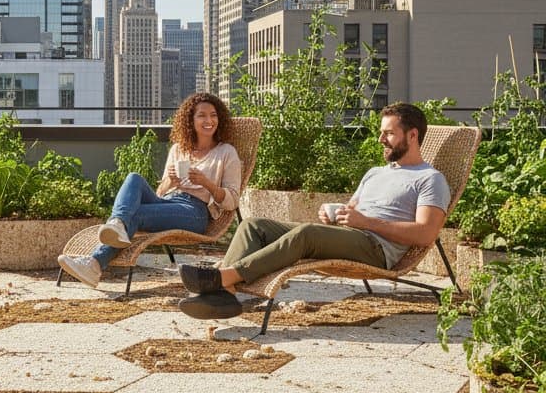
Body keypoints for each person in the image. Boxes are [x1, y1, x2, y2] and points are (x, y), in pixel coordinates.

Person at [178, 101, 451, 319]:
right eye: (381, 132)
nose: (381, 139)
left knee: (306, 234)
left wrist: (367, 222)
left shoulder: (430, 179)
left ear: (412, 135)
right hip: (353, 235)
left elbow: (426, 233)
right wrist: (336, 212)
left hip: (378, 248)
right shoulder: (375, 172)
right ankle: (223, 295)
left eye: (389, 133)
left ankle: (224, 277)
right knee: (254, 225)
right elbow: (352, 210)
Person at [57, 93, 242, 288]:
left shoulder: (226, 152)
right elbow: (161, 192)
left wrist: (207, 184)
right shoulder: (179, 149)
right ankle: (117, 223)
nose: (209, 120)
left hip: (195, 212)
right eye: (202, 115)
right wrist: (170, 181)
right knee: (133, 178)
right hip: (170, 201)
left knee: (135, 216)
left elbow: (232, 201)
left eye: (213, 115)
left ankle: (94, 263)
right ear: (191, 120)